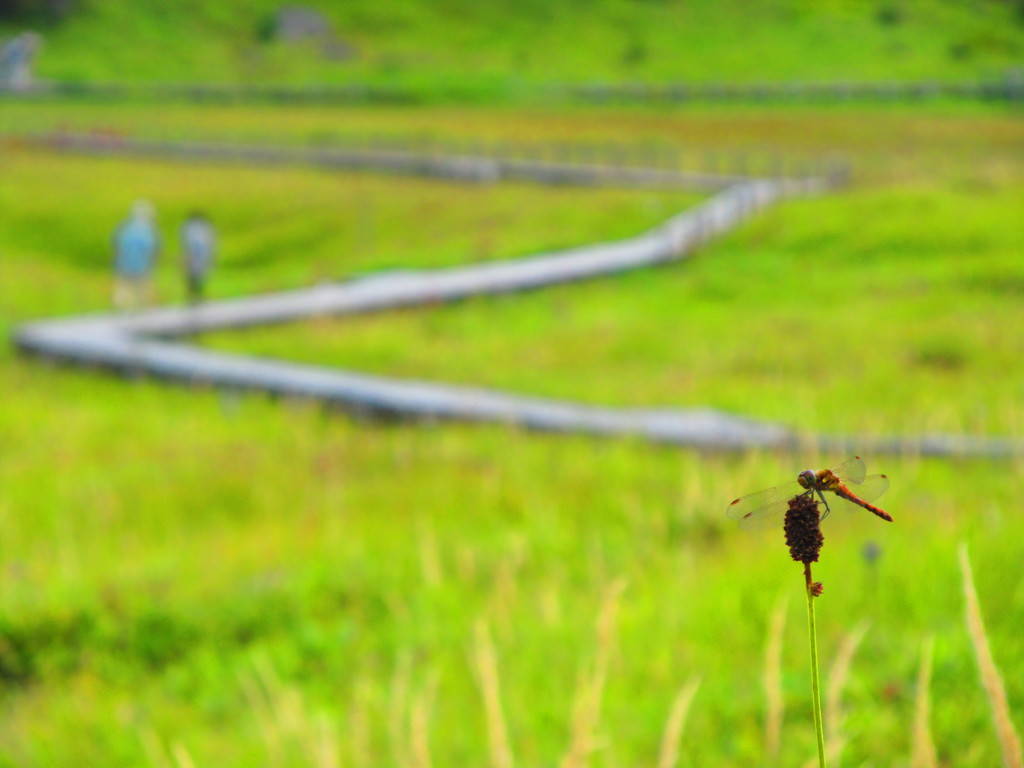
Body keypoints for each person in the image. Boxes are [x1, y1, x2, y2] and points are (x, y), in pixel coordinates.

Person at [112, 200, 161, 310]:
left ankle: (122, 311)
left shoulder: (125, 227)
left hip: (124, 264)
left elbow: (116, 245)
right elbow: (154, 248)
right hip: (143, 266)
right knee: (144, 290)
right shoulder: (149, 230)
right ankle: (145, 313)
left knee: (124, 290)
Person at [180, 211, 216, 304]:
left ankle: (194, 300)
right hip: (202, 260)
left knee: (193, 281)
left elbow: (192, 246)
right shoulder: (206, 228)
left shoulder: (190, 229)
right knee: (198, 281)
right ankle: (197, 300)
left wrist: (186, 258)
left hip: (194, 260)